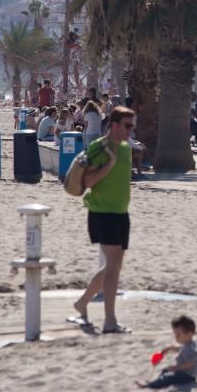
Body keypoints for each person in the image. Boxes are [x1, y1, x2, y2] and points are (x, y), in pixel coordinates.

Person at [73, 106, 136, 334]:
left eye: (132, 126)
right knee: (112, 267)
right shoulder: (99, 147)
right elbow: (87, 182)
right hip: (101, 212)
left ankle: (82, 302)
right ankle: (110, 322)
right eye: (127, 126)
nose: (130, 130)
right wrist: (108, 165)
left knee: (114, 265)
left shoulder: (126, 148)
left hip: (121, 212)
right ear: (115, 125)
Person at [137, 316, 197, 389]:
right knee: (165, 370)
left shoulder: (192, 349)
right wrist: (170, 348)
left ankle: (149, 385)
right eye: (175, 334)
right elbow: (181, 349)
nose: (176, 337)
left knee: (168, 378)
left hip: (187, 376)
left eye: (178, 335)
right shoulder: (188, 344)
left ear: (189, 334)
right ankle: (157, 381)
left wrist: (176, 368)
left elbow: (190, 364)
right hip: (182, 372)